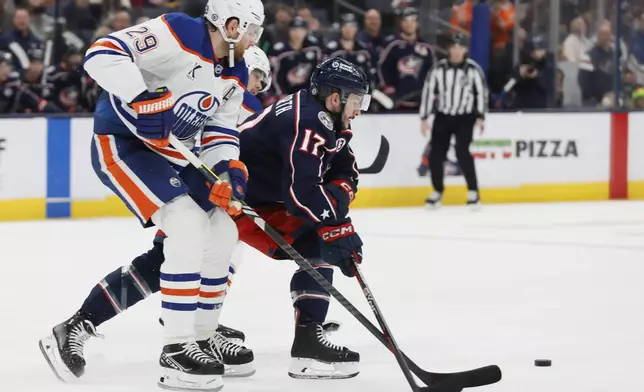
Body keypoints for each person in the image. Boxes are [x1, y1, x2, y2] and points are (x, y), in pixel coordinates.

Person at [38, 1, 265, 391]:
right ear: (231, 24)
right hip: (124, 144)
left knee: (225, 229)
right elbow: (102, 54)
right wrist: (142, 95)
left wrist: (228, 171)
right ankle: (176, 348)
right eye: (252, 32)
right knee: (187, 225)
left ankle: (201, 334)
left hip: (178, 156)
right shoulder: (179, 31)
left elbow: (218, 133)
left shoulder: (235, 71)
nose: (254, 41)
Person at [419, 33, 487, 209]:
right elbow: (428, 92)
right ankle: (437, 191)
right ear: (449, 49)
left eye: (460, 47)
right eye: (454, 47)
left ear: (465, 50)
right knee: (435, 155)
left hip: (465, 117)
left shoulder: (473, 70)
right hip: (443, 115)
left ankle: (473, 191)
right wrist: (424, 117)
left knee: (462, 152)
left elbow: (481, 93)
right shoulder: (438, 69)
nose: (457, 51)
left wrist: (480, 116)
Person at [377, 7, 434, 109]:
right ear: (401, 23)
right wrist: (387, 87)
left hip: (421, 103)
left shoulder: (426, 47)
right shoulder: (392, 45)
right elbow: (381, 67)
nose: (409, 24)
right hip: (397, 103)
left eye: (412, 21)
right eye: (406, 21)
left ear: (417, 23)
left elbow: (433, 72)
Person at [268, 16, 322, 100]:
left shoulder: (315, 47)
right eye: (294, 29)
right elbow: (274, 76)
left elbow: (319, 71)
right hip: (286, 96)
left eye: (301, 30)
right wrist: (280, 94)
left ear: (306, 31)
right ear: (289, 31)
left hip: (309, 95)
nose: (298, 33)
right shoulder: (279, 51)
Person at [325, 14, 375, 93]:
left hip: (359, 95)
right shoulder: (331, 51)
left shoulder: (364, 51)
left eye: (352, 26)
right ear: (340, 28)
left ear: (356, 28)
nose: (348, 30)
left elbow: (370, 75)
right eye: (345, 26)